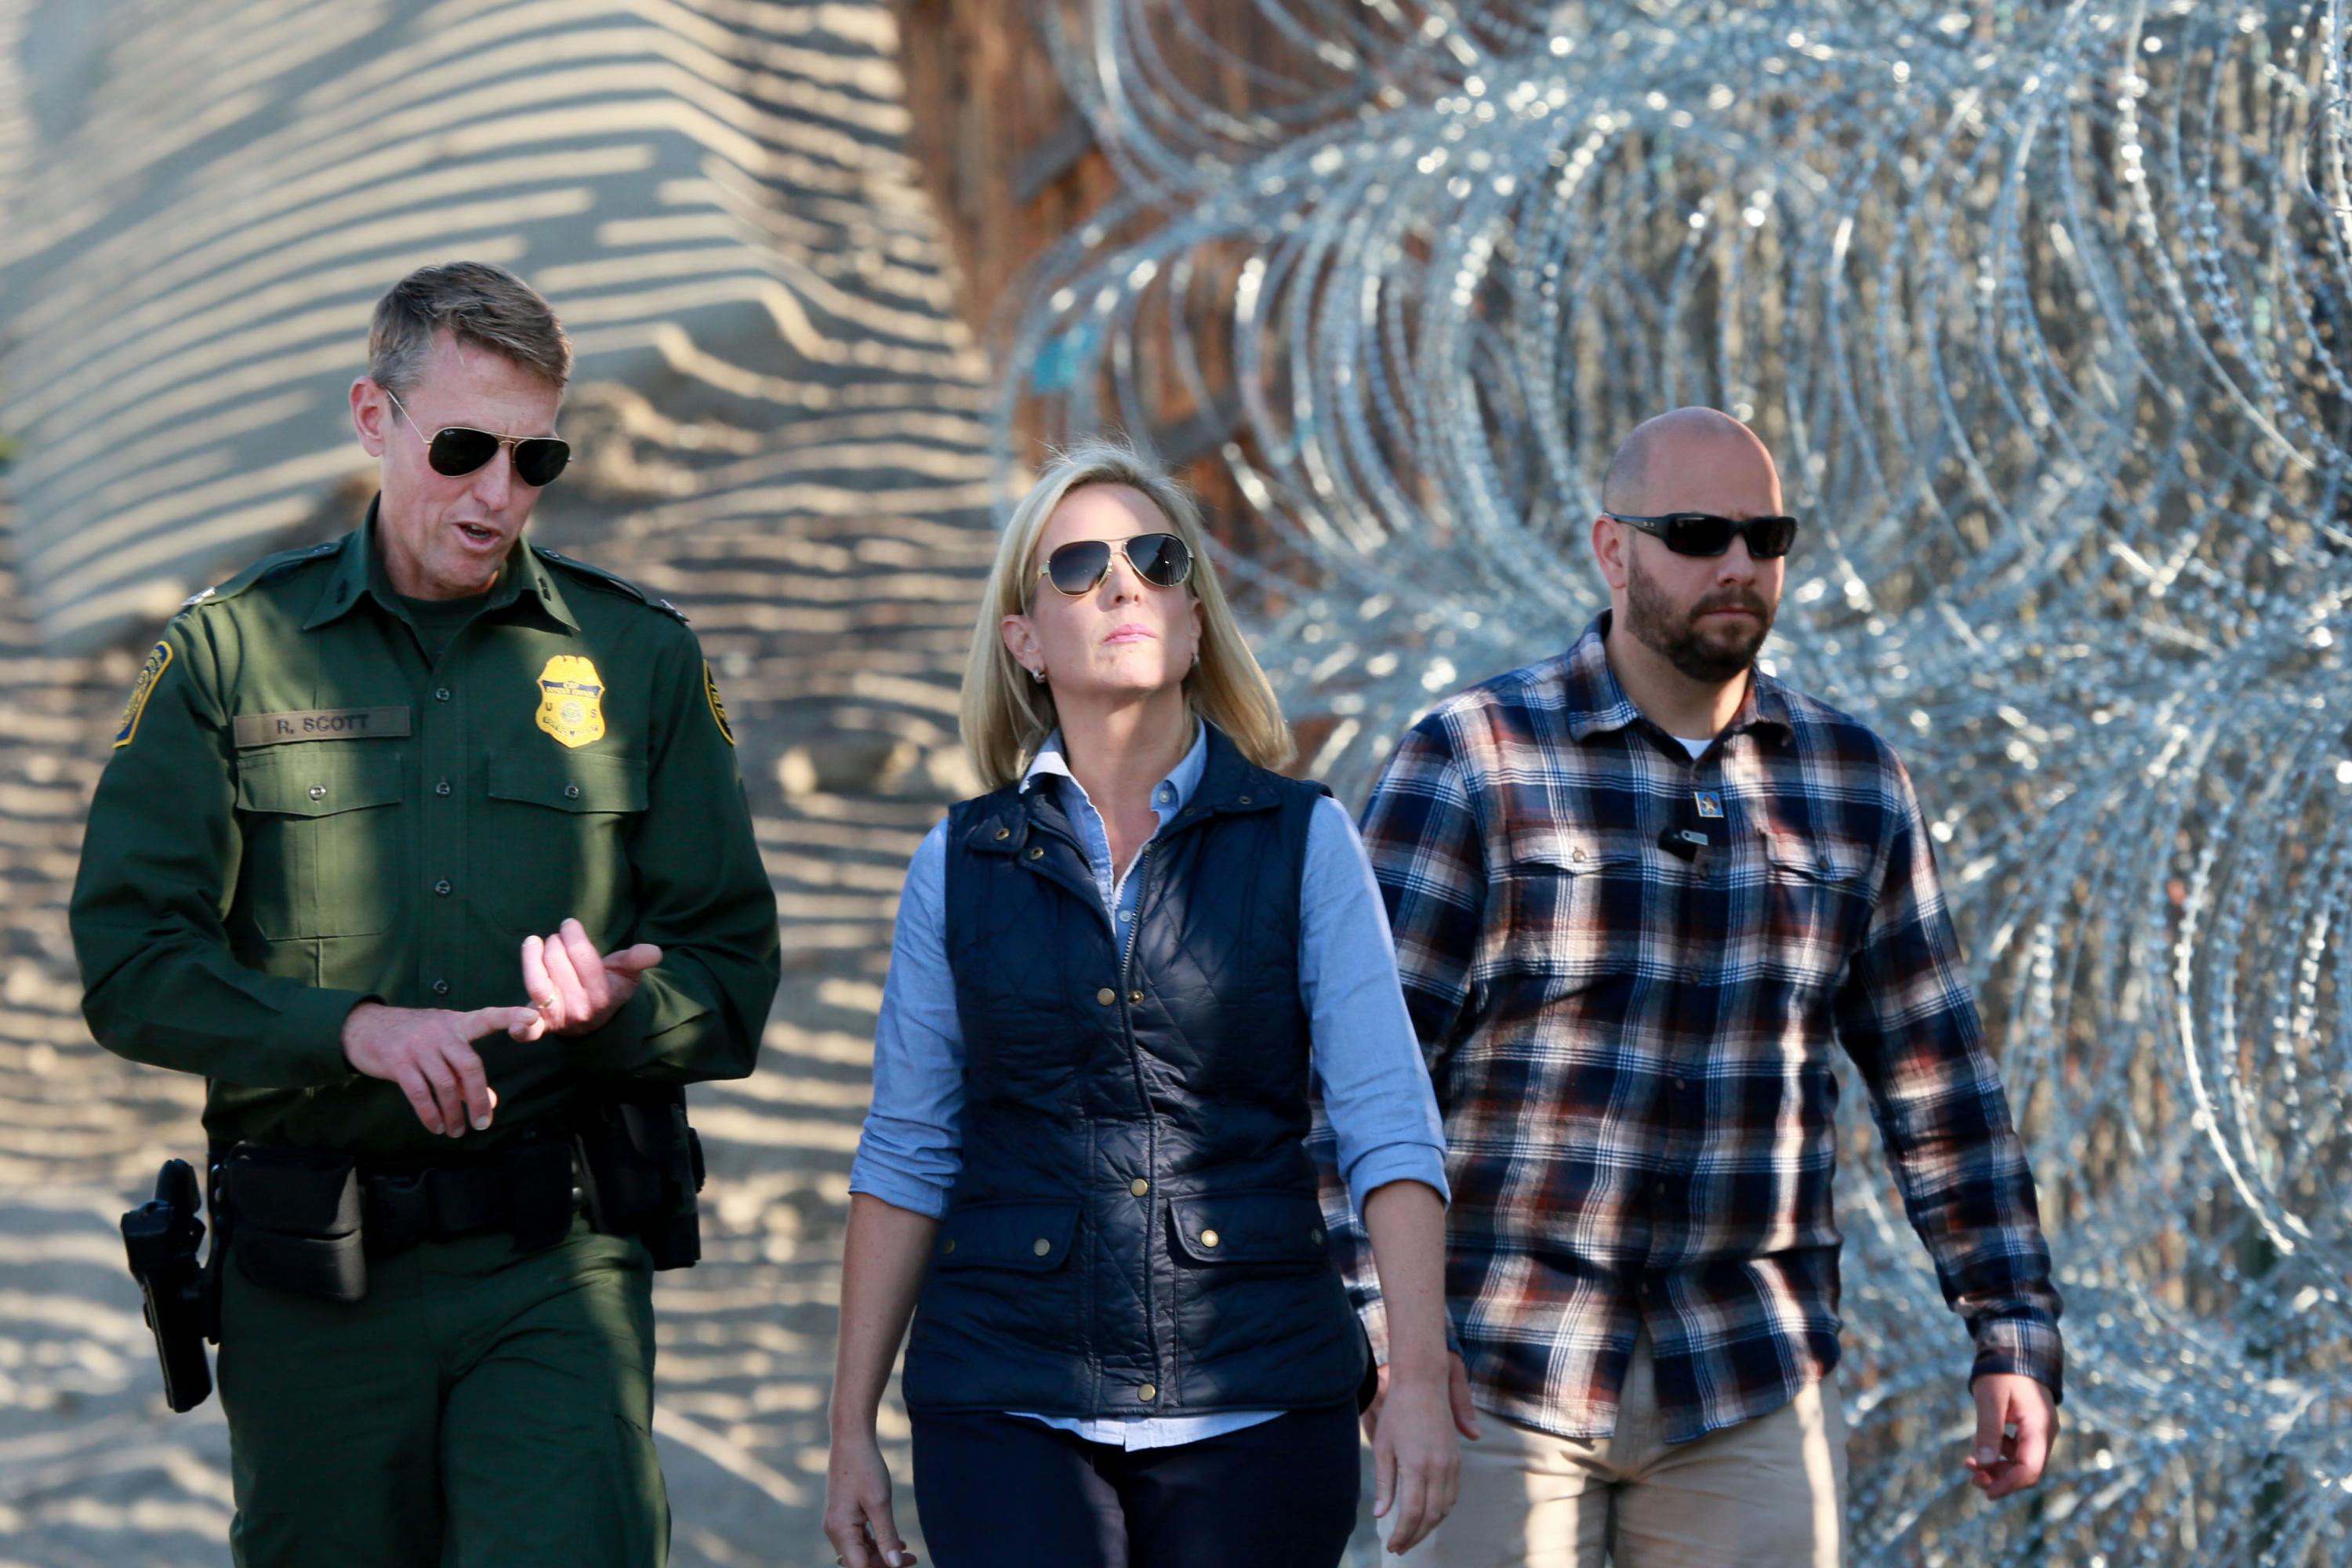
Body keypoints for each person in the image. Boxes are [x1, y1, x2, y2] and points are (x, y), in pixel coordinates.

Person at [71, 260, 782, 1567]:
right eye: (464, 448)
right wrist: (351, 1031)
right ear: (372, 418)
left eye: (535, 457)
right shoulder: (229, 656)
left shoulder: (638, 659)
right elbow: (131, 964)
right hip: (314, 1284)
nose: (499, 494)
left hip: (555, 1260)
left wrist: (622, 1010)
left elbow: (732, 972)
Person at [1336, 408, 2063, 1566]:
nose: (1738, 564)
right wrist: (1386, 1343)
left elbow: (1940, 1083)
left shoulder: (1851, 784)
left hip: (1746, 1374)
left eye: (1765, 536)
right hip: (1497, 1369)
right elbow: (1361, 1085)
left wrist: (2010, 1323)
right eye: (1696, 532)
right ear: (1611, 550)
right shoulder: (1473, 762)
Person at [822, 441, 1467, 1568]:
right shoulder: (959, 860)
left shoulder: (1305, 839)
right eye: (1078, 566)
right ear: (1023, 640)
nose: (1124, 584)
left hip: (1261, 1393)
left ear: (1196, 617)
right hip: (1005, 1394)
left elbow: (1387, 1121)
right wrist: (848, 1431)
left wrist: (1414, 1373)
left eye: (1156, 559)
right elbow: (909, 1150)